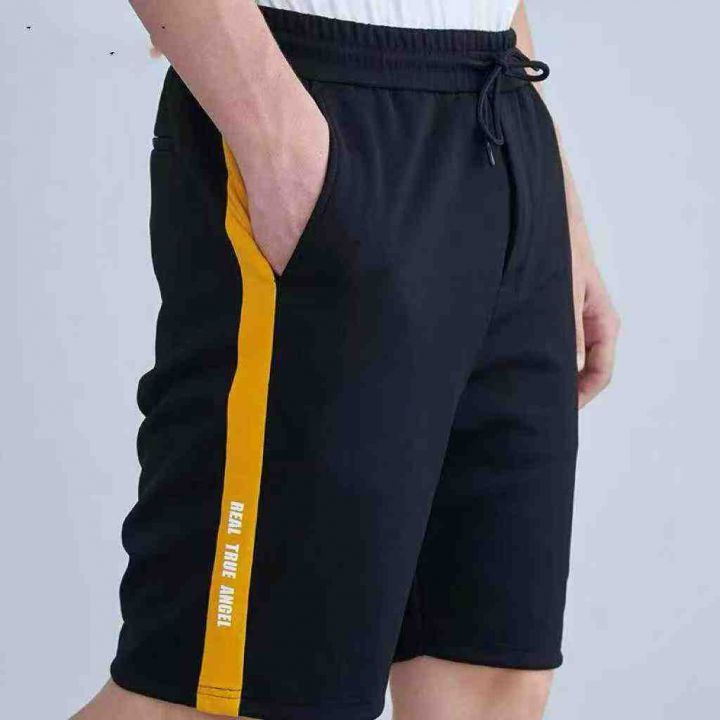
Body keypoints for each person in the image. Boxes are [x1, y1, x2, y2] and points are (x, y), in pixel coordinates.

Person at [73, 1, 620, 719]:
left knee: (488, 676)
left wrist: (559, 210)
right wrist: (278, 144)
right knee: (235, 697)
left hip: (504, 116)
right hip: (318, 100)